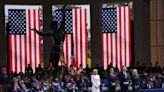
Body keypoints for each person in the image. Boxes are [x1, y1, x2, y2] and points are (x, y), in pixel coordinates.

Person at [31, 4, 67, 70]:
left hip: (57, 49)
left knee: (55, 63)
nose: (54, 27)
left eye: (55, 25)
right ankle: (51, 69)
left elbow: (63, 19)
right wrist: (35, 30)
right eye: (54, 26)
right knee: (52, 63)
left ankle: (54, 70)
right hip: (55, 48)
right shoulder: (52, 32)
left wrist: (63, 9)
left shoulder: (59, 29)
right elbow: (41, 34)